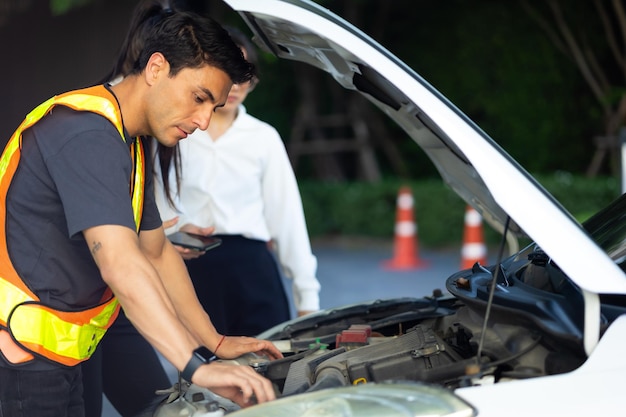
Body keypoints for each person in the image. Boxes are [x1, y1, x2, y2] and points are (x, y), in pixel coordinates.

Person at [0, 2, 283, 416]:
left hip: (57, 355)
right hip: (21, 360)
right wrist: (195, 367)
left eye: (214, 108)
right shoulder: (85, 133)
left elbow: (156, 251)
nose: (204, 121)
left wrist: (214, 341)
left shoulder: (127, 141)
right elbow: (121, 263)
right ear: (155, 69)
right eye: (199, 98)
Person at [154, 26, 321, 337]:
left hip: (253, 269)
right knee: (201, 372)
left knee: (271, 367)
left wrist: (307, 296)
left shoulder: (263, 137)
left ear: (253, 79)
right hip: (192, 266)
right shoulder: (174, 132)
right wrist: (168, 236)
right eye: (224, 72)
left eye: (242, 73)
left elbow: (287, 217)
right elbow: (154, 199)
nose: (233, 84)